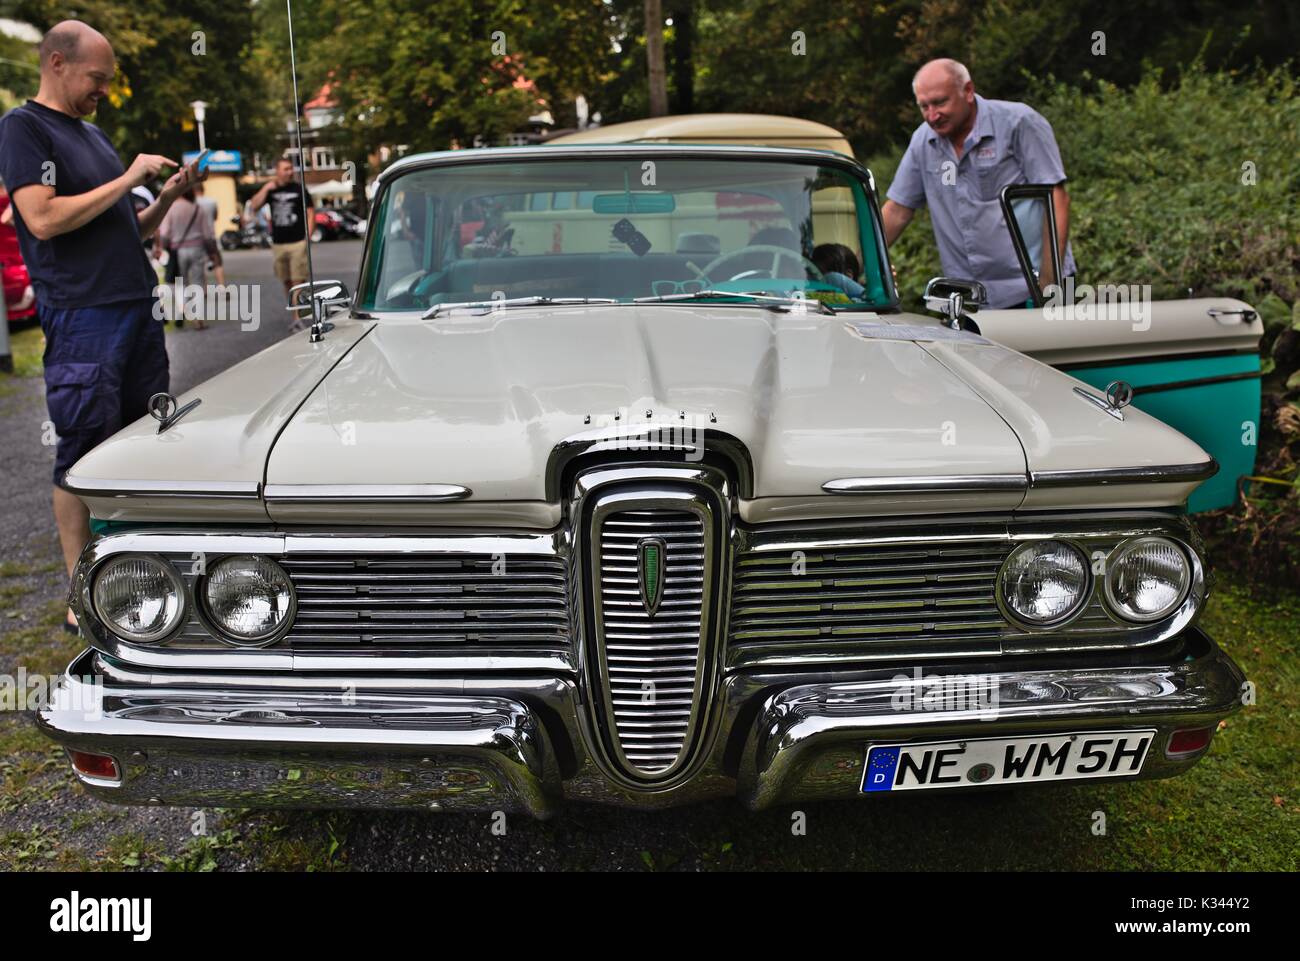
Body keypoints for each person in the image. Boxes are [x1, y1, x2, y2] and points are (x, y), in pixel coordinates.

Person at [0, 19, 204, 633]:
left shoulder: (91, 134)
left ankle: (138, 578)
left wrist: (163, 198)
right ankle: (80, 592)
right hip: (84, 314)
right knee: (83, 450)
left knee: (140, 442)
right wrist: (128, 176)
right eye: (97, 79)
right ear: (57, 63)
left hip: (134, 306)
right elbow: (40, 218)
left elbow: (123, 229)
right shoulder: (23, 128)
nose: (102, 92)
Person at [881, 58, 1075, 309]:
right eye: (924, 106)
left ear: (968, 91)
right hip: (969, 299)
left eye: (940, 102)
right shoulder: (923, 141)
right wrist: (854, 263)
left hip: (1030, 289)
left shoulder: (1018, 122)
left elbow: (1056, 198)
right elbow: (897, 211)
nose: (932, 115)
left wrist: (1049, 285)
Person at [247, 156, 313, 308]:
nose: (290, 172)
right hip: (278, 242)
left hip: (298, 241)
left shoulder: (299, 189)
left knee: (298, 279)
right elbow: (254, 206)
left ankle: (297, 316)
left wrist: (307, 238)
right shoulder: (271, 189)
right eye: (286, 169)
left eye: (291, 169)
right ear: (277, 171)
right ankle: (295, 310)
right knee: (286, 280)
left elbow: (310, 213)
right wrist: (266, 188)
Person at [159, 187, 216, 329]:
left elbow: (165, 233)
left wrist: (164, 247)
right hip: (197, 249)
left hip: (178, 250)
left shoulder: (171, 209)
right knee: (197, 283)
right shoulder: (197, 209)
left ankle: (182, 310)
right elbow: (207, 235)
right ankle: (197, 320)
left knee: (180, 284)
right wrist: (212, 253)